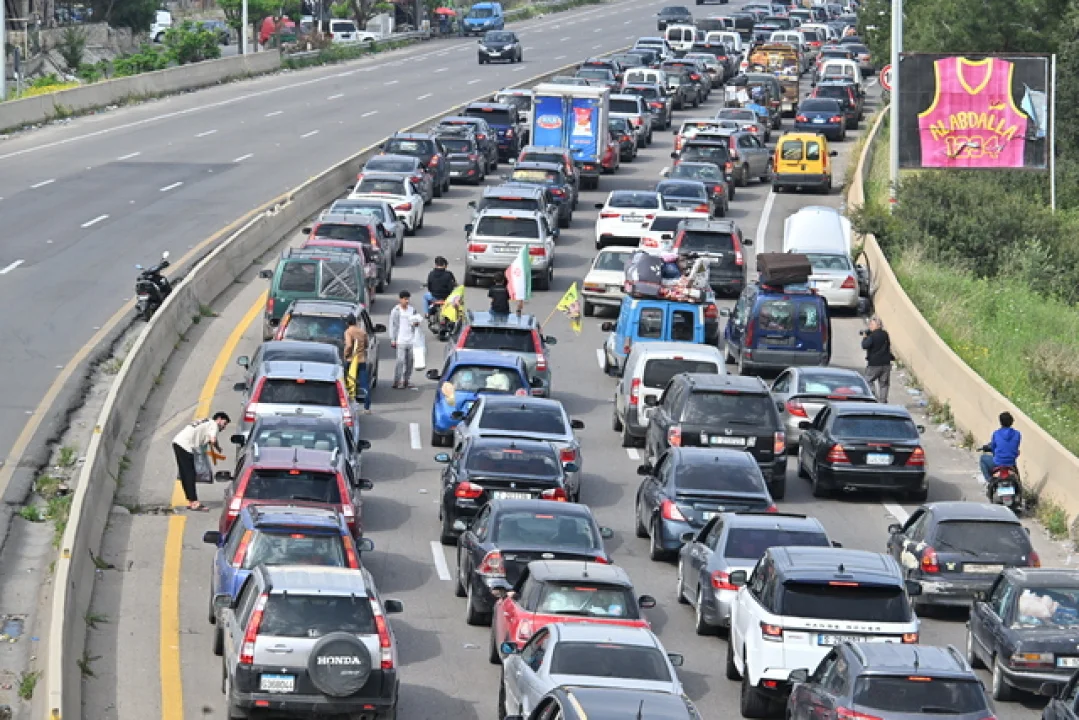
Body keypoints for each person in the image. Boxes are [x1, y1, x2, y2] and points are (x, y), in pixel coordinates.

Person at [171, 412, 230, 511]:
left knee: (185, 473)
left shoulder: (207, 421)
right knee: (190, 474)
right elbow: (213, 439)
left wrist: (217, 447)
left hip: (177, 442)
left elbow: (211, 438)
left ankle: (191, 501)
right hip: (185, 445)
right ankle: (194, 503)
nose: (224, 427)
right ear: (219, 419)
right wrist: (217, 447)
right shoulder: (214, 425)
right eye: (224, 424)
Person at [388, 290, 422, 388]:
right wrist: (393, 339)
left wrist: (416, 323)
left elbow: (416, 322)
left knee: (410, 362)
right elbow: (392, 325)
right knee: (400, 361)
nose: (407, 301)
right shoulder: (396, 311)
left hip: (411, 340)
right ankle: (397, 381)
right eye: (405, 299)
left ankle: (406, 380)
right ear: (400, 299)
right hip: (400, 340)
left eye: (408, 299)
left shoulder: (412, 310)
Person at [981, 411, 1022, 481]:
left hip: (997, 463)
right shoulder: (1017, 434)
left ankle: (989, 480)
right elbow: (1015, 447)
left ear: (1000, 422)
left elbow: (993, 448)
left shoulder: (996, 433)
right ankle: (1019, 484)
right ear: (1012, 421)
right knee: (1017, 476)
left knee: (982, 458)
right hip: (1011, 463)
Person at [343, 314, 371, 414]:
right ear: (355, 322)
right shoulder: (362, 332)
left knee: (348, 383)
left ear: (347, 323)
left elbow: (349, 345)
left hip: (351, 361)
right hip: (361, 360)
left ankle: (349, 405)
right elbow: (367, 345)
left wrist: (346, 354)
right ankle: (367, 407)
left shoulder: (348, 332)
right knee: (364, 384)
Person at [860, 316, 893, 402]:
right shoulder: (885, 334)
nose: (870, 326)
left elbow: (865, 345)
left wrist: (864, 337)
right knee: (884, 384)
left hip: (874, 364)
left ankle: (872, 397)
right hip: (886, 363)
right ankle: (883, 401)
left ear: (878, 325)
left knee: (868, 380)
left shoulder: (872, 336)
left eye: (871, 324)